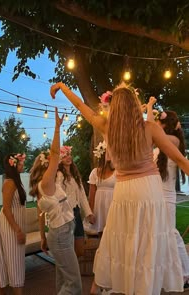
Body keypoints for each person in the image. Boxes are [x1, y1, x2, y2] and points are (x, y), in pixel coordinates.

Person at [50, 81, 189, 295]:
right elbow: (180, 159)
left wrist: (62, 86)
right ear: (135, 105)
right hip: (149, 191)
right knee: (146, 245)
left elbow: (80, 105)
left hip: (124, 191)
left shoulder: (106, 127)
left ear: (114, 107)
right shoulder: (149, 128)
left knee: (121, 239)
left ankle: (103, 285)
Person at [29, 108, 82, 295]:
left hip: (60, 231)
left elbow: (41, 215)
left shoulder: (48, 184)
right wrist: (57, 128)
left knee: (63, 277)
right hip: (60, 234)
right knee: (74, 283)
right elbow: (54, 153)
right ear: (47, 166)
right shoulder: (47, 182)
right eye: (51, 163)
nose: (56, 163)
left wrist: (43, 237)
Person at [147, 98, 189, 286]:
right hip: (158, 194)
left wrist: (149, 109)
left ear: (165, 124)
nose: (156, 125)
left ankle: (186, 272)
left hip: (167, 196)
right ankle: (169, 271)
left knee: (171, 233)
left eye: (159, 122)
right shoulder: (167, 141)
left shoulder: (172, 140)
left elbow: (151, 133)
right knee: (162, 234)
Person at [0, 153, 26, 295]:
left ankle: (2, 292)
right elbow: (6, 209)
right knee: (14, 261)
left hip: (15, 225)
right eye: (21, 163)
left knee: (11, 259)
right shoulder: (9, 183)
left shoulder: (16, 182)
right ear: (13, 166)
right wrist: (17, 229)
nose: (23, 165)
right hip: (10, 227)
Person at [56, 145, 95, 257]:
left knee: (79, 247)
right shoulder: (59, 175)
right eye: (64, 156)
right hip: (65, 215)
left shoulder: (75, 174)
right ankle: (70, 272)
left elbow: (82, 195)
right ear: (60, 159)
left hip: (76, 212)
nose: (68, 157)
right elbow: (57, 195)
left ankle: (75, 270)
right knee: (68, 248)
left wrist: (89, 213)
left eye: (69, 154)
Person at [84, 140, 116, 238]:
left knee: (113, 233)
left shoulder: (118, 171)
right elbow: (91, 195)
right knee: (101, 233)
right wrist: (90, 212)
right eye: (108, 151)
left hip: (112, 203)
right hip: (99, 206)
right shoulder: (94, 172)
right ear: (102, 154)